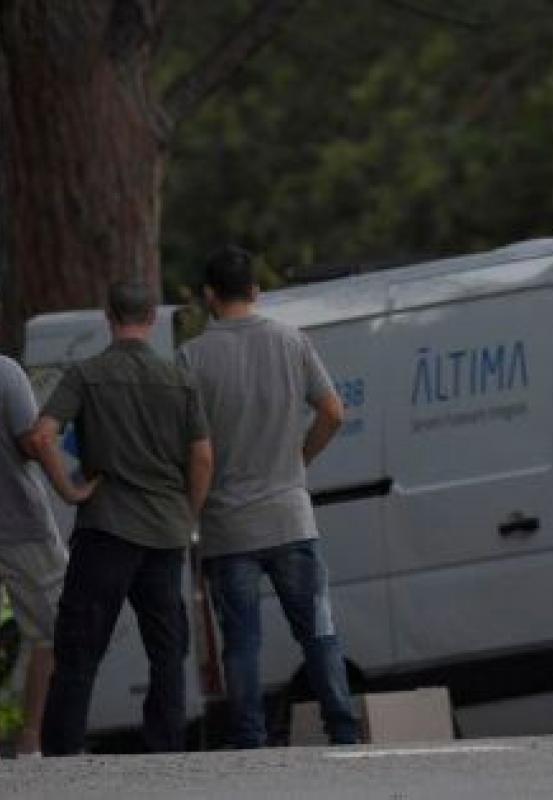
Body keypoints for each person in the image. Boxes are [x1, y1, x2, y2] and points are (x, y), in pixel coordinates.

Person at [178, 244, 358, 748]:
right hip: (291, 518)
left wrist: (188, 515)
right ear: (255, 291)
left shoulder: (191, 358)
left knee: (241, 644)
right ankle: (343, 728)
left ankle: (249, 740)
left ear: (209, 296)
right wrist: (298, 459)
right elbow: (333, 413)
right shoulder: (292, 341)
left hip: (228, 528)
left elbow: (191, 448)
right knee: (318, 631)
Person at [25, 280, 213, 756]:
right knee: (167, 650)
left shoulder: (86, 375)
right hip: (164, 532)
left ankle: (63, 751)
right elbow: (203, 457)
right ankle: (164, 748)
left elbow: (42, 436)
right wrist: (187, 514)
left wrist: (69, 490)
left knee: (79, 648)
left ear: (109, 317)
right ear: (150, 318)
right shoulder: (180, 380)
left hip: (105, 528)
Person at [0, 355, 87, 756]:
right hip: (18, 524)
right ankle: (34, 741)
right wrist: (70, 489)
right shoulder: (5, 372)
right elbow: (33, 441)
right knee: (55, 630)